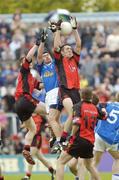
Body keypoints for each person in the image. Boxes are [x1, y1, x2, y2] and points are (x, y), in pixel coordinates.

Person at [56, 88, 106, 180]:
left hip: (79, 139)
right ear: (91, 97)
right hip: (90, 141)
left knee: (60, 162)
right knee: (90, 166)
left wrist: (71, 136)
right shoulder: (95, 108)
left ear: (81, 96)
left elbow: (76, 123)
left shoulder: (78, 106)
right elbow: (104, 116)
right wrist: (103, 109)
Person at [14, 36, 47, 165]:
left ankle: (26, 149)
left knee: (32, 129)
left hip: (18, 106)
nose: (29, 61)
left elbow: (40, 85)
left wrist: (55, 81)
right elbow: (28, 57)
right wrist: (36, 45)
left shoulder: (30, 77)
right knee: (50, 110)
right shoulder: (24, 70)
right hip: (25, 99)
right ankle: (56, 137)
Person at [53, 16, 81, 145]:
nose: (70, 50)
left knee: (78, 117)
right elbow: (57, 46)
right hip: (64, 90)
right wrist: (58, 30)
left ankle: (66, 138)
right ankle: (63, 140)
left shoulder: (75, 59)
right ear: (63, 53)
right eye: (67, 49)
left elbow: (79, 45)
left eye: (70, 49)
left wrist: (74, 29)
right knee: (72, 113)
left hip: (76, 91)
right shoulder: (60, 60)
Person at [37, 29, 63, 153]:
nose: (45, 56)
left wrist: (55, 33)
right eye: (44, 55)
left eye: (47, 55)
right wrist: (42, 43)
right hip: (48, 95)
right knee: (54, 120)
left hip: (56, 92)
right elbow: (38, 56)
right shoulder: (41, 67)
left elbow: (57, 48)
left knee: (52, 119)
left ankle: (60, 140)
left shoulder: (55, 64)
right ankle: (58, 138)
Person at [93, 92, 119, 180]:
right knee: (117, 159)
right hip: (111, 138)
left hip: (99, 135)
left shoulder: (108, 104)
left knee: (95, 163)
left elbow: (99, 105)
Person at [21, 114, 55, 180]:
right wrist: (23, 125)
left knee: (30, 156)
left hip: (37, 138)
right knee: (40, 157)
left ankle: (27, 176)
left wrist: (47, 128)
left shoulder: (41, 116)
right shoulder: (29, 116)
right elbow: (24, 124)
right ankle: (53, 171)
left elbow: (47, 122)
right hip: (30, 137)